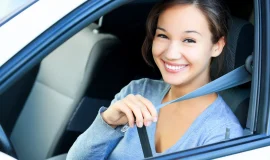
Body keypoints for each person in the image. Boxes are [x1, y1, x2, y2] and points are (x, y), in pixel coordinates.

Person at [67, 0, 243, 159]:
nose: (171, 53)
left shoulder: (222, 135)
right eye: (163, 36)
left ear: (217, 46)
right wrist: (108, 123)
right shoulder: (137, 92)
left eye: (189, 40)